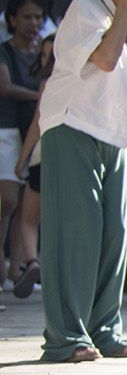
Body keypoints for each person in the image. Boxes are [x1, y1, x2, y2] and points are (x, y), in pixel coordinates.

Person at [36, 0, 127, 363]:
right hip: (73, 124)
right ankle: (66, 336)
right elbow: (105, 60)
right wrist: (126, 4)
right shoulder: (86, 9)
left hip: (119, 132)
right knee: (77, 234)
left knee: (114, 236)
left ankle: (104, 329)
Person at [0, 0, 48, 295]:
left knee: (28, 207)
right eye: (28, 16)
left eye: (39, 17)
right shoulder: (4, 51)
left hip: (36, 132)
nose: (34, 23)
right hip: (5, 131)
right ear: (13, 19)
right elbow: (5, 87)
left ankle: (18, 271)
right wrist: (43, 97)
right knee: (7, 203)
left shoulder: (45, 52)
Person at [9, 35, 53, 301]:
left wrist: (21, 159)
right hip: (70, 162)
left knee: (28, 219)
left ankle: (33, 261)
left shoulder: (49, 84)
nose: (46, 60)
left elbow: (38, 122)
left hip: (41, 157)